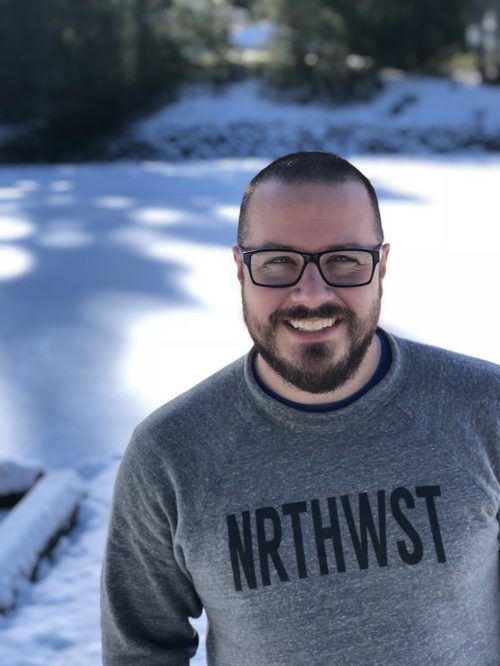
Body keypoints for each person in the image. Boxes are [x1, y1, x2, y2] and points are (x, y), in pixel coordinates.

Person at [100, 151, 499, 665]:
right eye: (278, 262)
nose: (311, 294)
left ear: (382, 266)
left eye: (344, 260)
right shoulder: (171, 452)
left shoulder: (484, 409)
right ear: (240, 269)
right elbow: (140, 652)